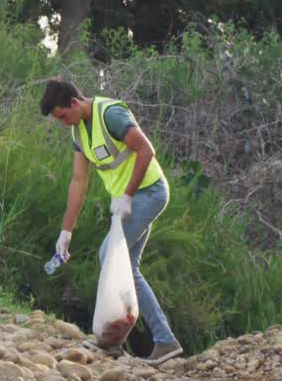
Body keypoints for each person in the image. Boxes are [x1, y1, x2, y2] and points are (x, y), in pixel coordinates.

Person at [38, 78, 181, 364]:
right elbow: (79, 182)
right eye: (58, 119)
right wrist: (66, 231)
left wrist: (127, 196)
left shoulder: (111, 115)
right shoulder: (78, 133)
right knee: (128, 266)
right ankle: (157, 341)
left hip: (148, 192)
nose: (63, 122)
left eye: (63, 116)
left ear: (75, 103)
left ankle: (139, 340)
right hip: (128, 203)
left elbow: (146, 150)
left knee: (109, 256)